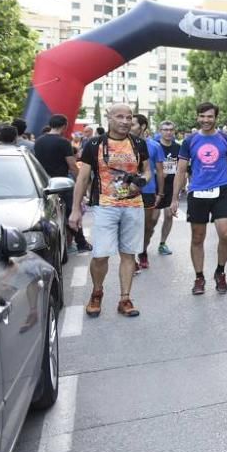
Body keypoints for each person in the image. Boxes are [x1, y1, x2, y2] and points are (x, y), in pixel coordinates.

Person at [69, 103, 149, 318]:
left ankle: (125, 299)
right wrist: (75, 210)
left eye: (129, 117)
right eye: (120, 117)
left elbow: (147, 171)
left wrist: (139, 183)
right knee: (100, 255)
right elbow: (83, 178)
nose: (125, 121)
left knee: (128, 254)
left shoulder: (139, 143)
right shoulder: (94, 144)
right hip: (105, 205)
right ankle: (97, 293)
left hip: (133, 206)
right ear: (109, 118)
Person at [170, 102, 227, 295]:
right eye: (202, 116)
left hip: (221, 190)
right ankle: (199, 277)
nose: (206, 120)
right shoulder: (189, 141)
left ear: (216, 118)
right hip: (197, 192)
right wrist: (174, 198)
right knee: (198, 237)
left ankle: (220, 271)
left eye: (210, 116)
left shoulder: (226, 139)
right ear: (197, 117)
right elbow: (181, 170)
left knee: (225, 234)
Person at [33, 114, 92, 252]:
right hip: (62, 183)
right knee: (73, 212)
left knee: (47, 214)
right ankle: (81, 243)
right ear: (64, 126)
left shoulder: (39, 141)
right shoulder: (63, 142)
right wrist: (80, 181)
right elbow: (72, 164)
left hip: (43, 183)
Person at [132, 114, 165, 272]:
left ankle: (143, 251)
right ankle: (131, 259)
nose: (128, 127)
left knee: (147, 226)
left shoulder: (154, 146)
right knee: (131, 226)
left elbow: (159, 171)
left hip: (148, 191)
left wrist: (160, 193)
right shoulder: (122, 146)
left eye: (132, 124)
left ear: (142, 127)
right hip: (128, 192)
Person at [154, 120, 182, 255]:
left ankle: (162, 243)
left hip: (172, 186)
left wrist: (181, 188)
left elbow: (182, 169)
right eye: (165, 129)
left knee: (169, 215)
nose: (168, 132)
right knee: (152, 219)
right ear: (160, 131)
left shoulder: (178, 148)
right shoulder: (155, 146)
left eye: (171, 130)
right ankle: (144, 243)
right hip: (155, 186)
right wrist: (158, 172)